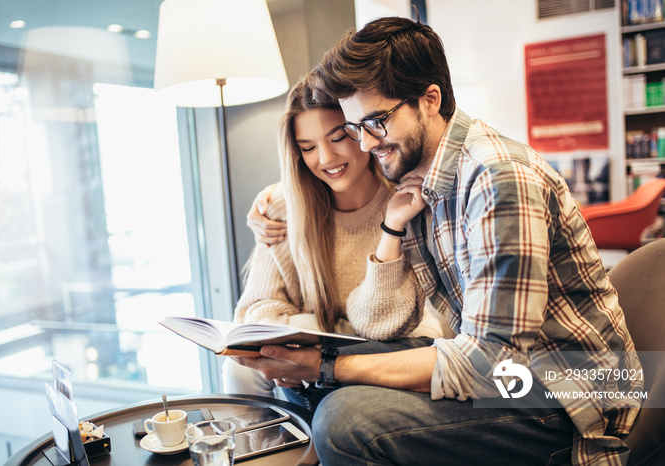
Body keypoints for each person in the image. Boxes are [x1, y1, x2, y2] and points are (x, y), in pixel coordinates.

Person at [236, 16, 643, 465]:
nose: (366, 144)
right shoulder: (420, 179)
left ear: (430, 99)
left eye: (375, 122)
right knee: (332, 379)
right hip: (519, 375)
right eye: (355, 128)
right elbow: (389, 328)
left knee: (342, 418)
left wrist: (328, 368)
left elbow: (491, 361)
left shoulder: (496, 179)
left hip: (568, 395)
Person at [223, 72, 446, 398]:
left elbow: (382, 325)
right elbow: (257, 307)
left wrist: (392, 226)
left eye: (338, 137)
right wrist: (280, 346)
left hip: (390, 342)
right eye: (308, 147)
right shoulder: (282, 206)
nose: (326, 159)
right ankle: (258, 448)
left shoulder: (405, 202)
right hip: (316, 339)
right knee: (240, 365)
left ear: (362, 131)